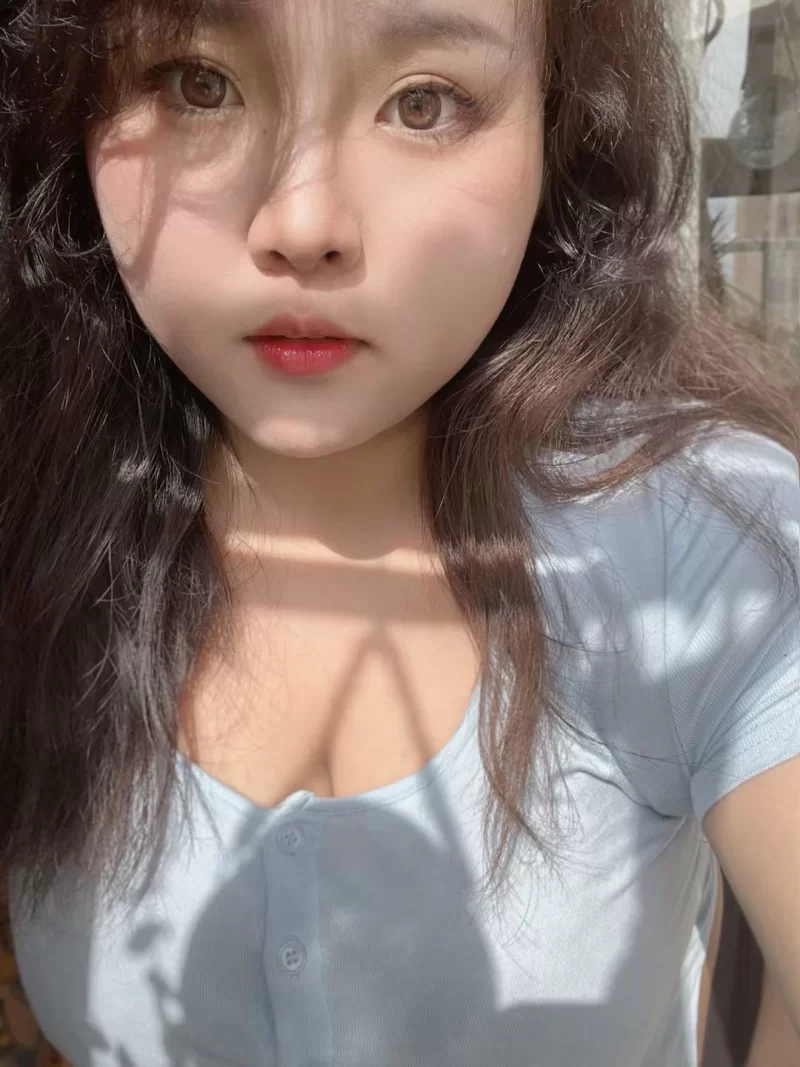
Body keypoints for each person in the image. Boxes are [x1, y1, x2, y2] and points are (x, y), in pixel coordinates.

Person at [1, 0, 799, 1064]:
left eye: (423, 103)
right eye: (199, 84)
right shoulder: (38, 513)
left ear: (559, 123)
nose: (302, 222)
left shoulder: (690, 535)